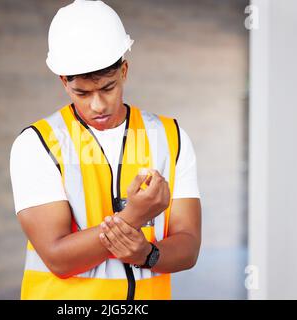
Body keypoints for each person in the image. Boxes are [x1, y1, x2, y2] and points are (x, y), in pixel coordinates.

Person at [10, 0, 201, 300]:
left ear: (124, 71)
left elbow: (188, 247)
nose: (97, 105)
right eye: (82, 93)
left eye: (108, 88)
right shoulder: (37, 144)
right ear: (64, 82)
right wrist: (134, 216)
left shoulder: (170, 137)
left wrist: (147, 254)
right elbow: (58, 259)